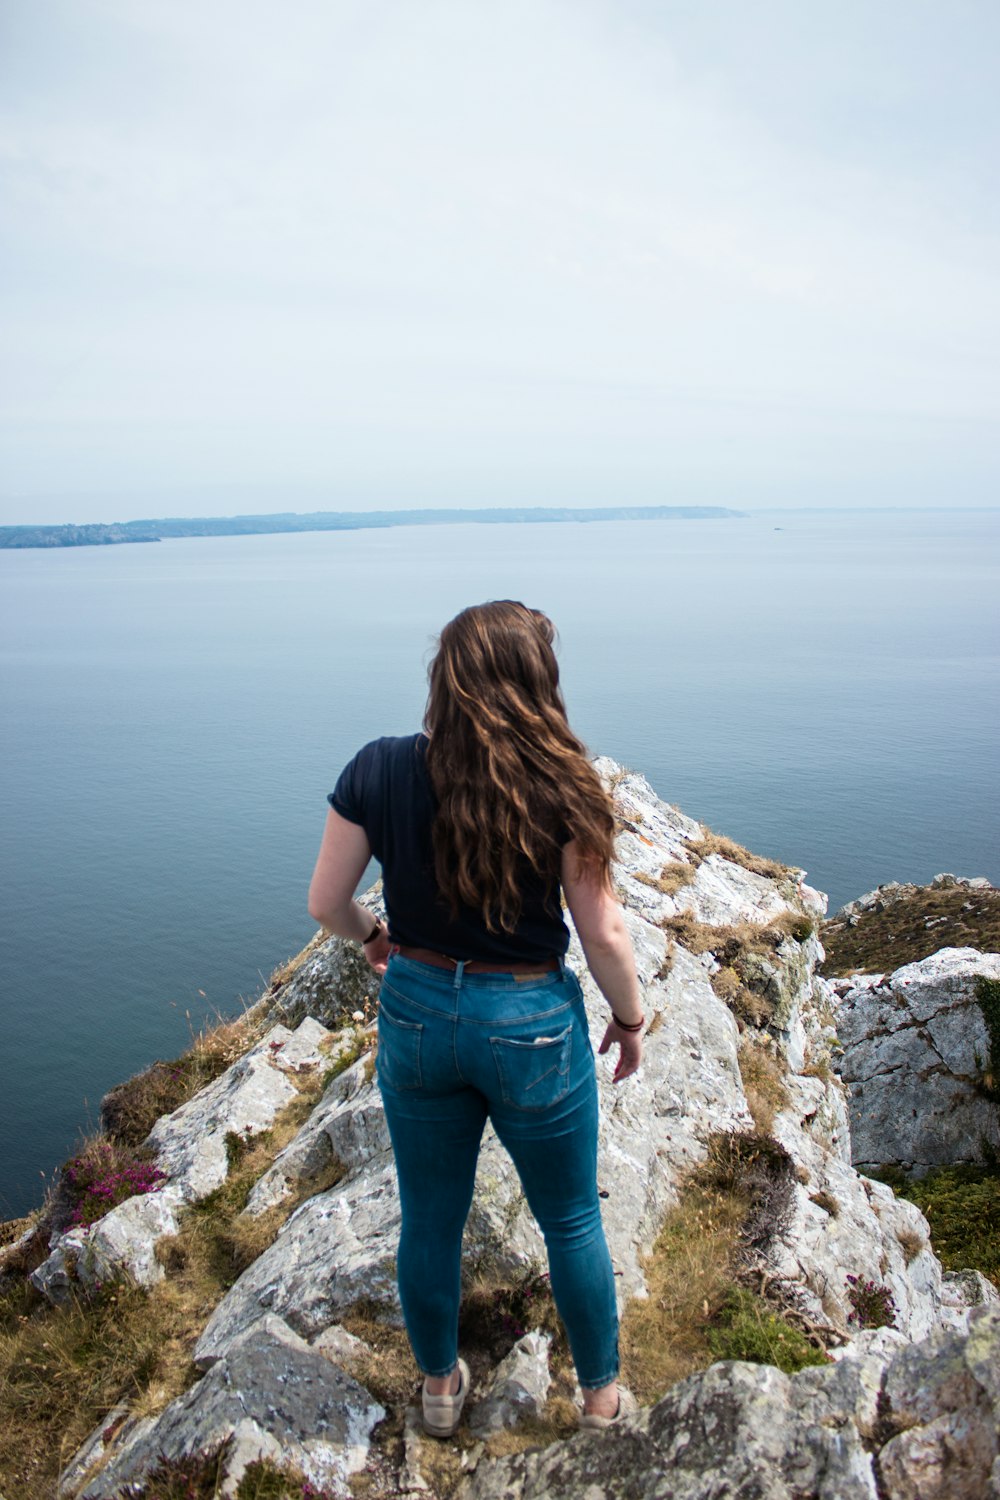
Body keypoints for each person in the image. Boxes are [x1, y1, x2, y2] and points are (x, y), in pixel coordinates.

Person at [307, 600, 644, 1437]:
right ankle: (600, 1398)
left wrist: (378, 936)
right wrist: (631, 1019)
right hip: (528, 1015)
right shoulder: (567, 785)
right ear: (537, 680)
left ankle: (438, 1390)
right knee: (568, 1218)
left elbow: (326, 904)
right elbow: (601, 932)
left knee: (430, 1217)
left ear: (445, 679)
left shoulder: (377, 769)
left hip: (418, 1010)